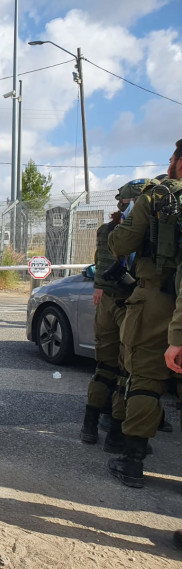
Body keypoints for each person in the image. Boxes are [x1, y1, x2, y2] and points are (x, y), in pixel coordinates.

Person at [107, 140, 182, 488]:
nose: (168, 164)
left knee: (145, 378)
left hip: (157, 300)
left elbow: (121, 245)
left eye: (171, 159)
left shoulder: (158, 197)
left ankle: (133, 462)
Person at [80, 181, 144, 450]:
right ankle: (116, 432)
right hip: (132, 303)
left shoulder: (108, 230)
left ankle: (90, 425)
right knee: (127, 371)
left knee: (105, 367)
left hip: (109, 301)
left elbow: (101, 265)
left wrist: (99, 287)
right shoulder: (142, 231)